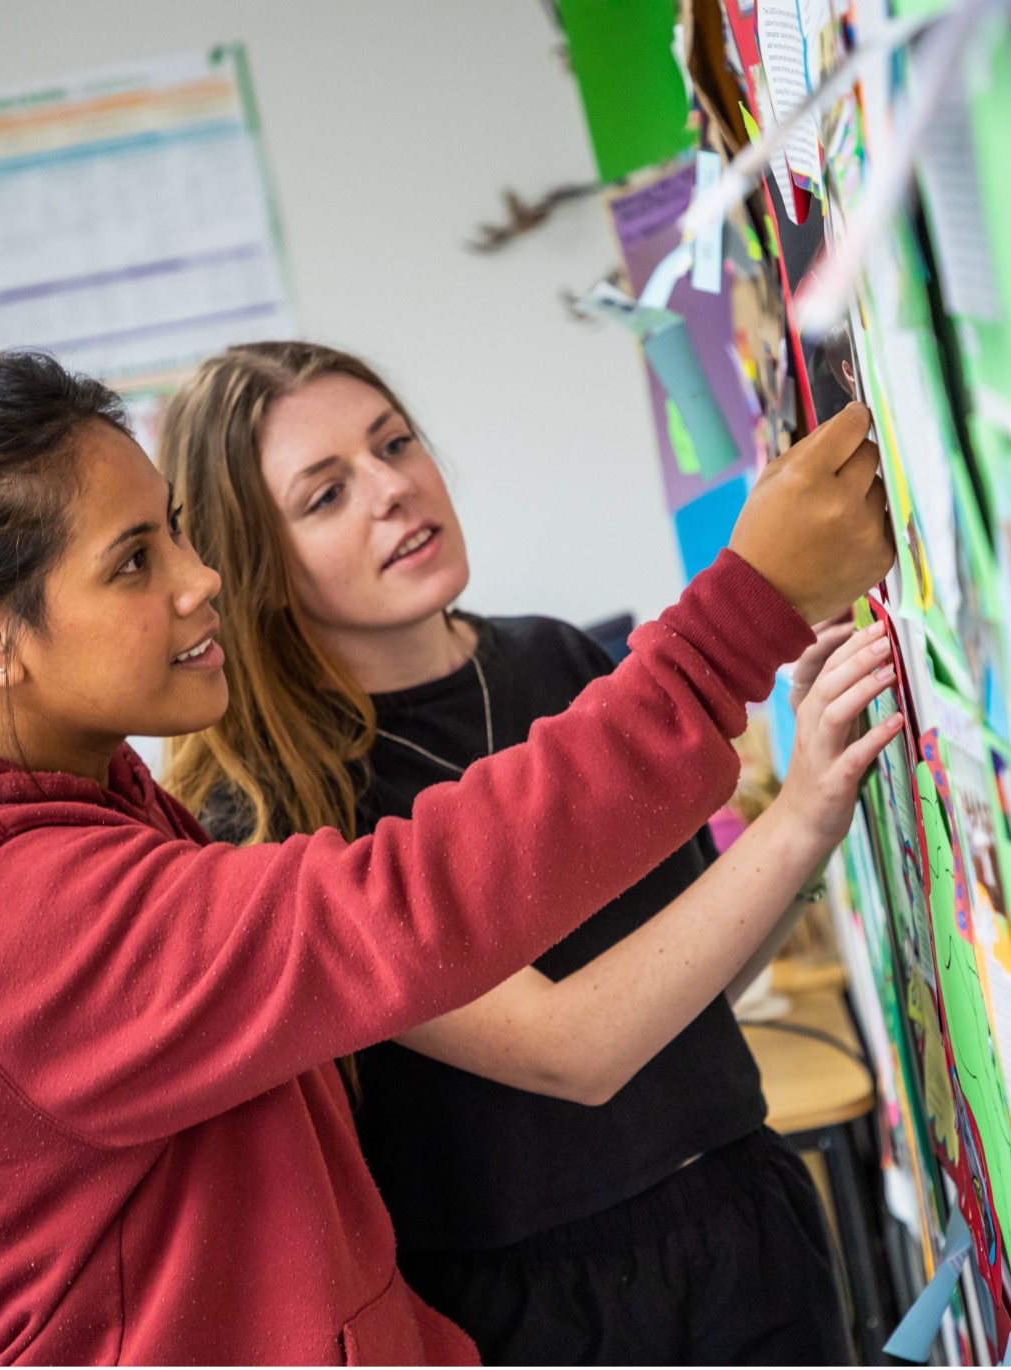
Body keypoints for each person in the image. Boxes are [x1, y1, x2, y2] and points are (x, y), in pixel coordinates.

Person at [0, 334, 897, 1366]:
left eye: (177, 532)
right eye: (136, 560)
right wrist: (744, 611)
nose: (204, 582)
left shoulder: (68, 817)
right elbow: (406, 911)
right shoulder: (0, 924)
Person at [155, 341, 894, 1364]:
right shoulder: (275, 812)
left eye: (394, 442)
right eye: (325, 495)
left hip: (745, 1217)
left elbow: (705, 977)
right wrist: (800, 813)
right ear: (254, 565)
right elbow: (571, 1049)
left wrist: (825, 765)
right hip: (537, 1313)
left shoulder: (559, 657)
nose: (393, 489)